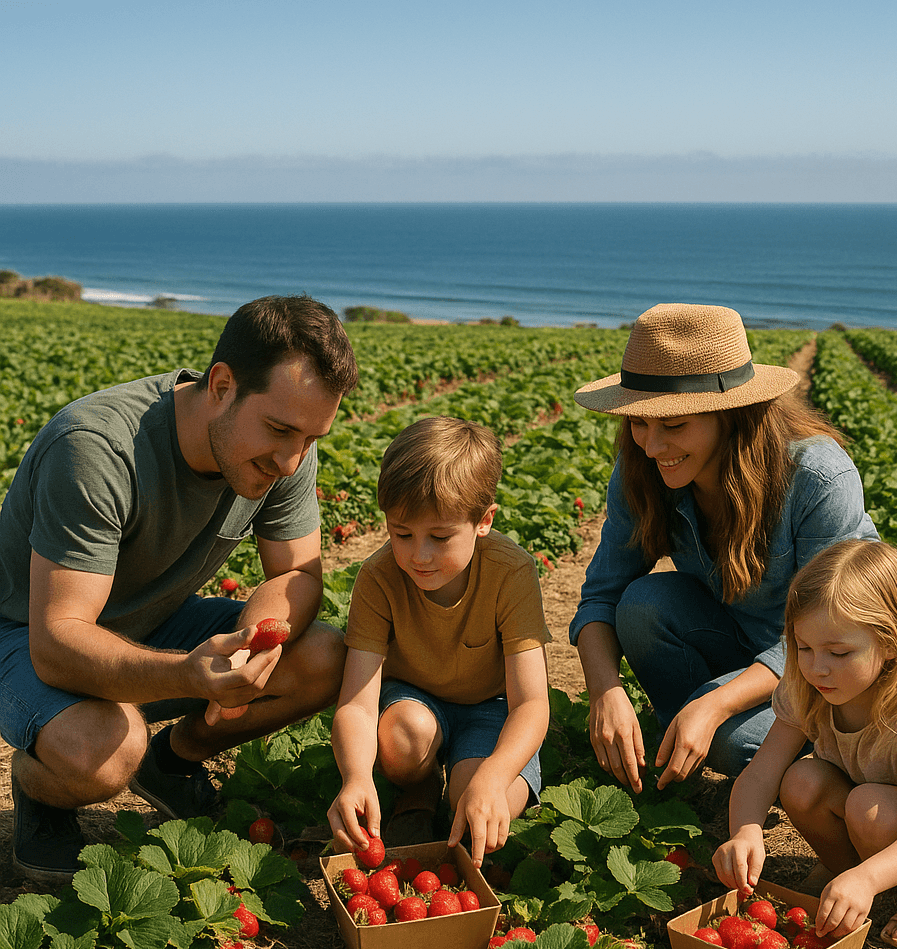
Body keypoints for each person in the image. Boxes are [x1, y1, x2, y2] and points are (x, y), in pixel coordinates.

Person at [0, 294, 359, 884]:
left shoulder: (284, 450)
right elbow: (59, 642)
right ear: (221, 384)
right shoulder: (96, 449)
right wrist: (190, 674)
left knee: (323, 655)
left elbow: (297, 574)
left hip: (151, 621)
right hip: (25, 635)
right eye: (280, 430)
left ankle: (175, 762)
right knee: (108, 748)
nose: (292, 461)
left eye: (310, 439)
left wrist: (252, 640)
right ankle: (42, 790)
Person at [570, 302, 879, 792]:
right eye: (639, 422)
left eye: (673, 426)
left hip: (827, 668)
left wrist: (714, 704)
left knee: (733, 743)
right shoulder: (642, 471)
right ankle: (680, 750)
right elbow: (601, 596)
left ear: (731, 415)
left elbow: (834, 628)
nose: (652, 446)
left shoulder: (817, 478)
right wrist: (605, 691)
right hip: (738, 643)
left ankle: (826, 767)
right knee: (642, 606)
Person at [713, 539, 897, 948]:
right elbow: (761, 773)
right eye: (804, 648)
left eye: (839, 652)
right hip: (871, 806)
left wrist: (868, 878)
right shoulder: (807, 687)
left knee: (869, 808)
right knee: (801, 780)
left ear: (891, 643)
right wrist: (744, 831)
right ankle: (847, 872)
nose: (817, 667)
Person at [327, 416, 550, 868]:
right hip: (414, 702)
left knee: (486, 803)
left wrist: (492, 776)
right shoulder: (379, 578)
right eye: (401, 534)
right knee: (405, 739)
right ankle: (418, 788)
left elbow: (532, 704)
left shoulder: (511, 572)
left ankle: (459, 785)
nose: (419, 554)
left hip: (493, 707)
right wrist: (354, 777)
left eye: (440, 537)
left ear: (483, 521)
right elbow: (356, 703)